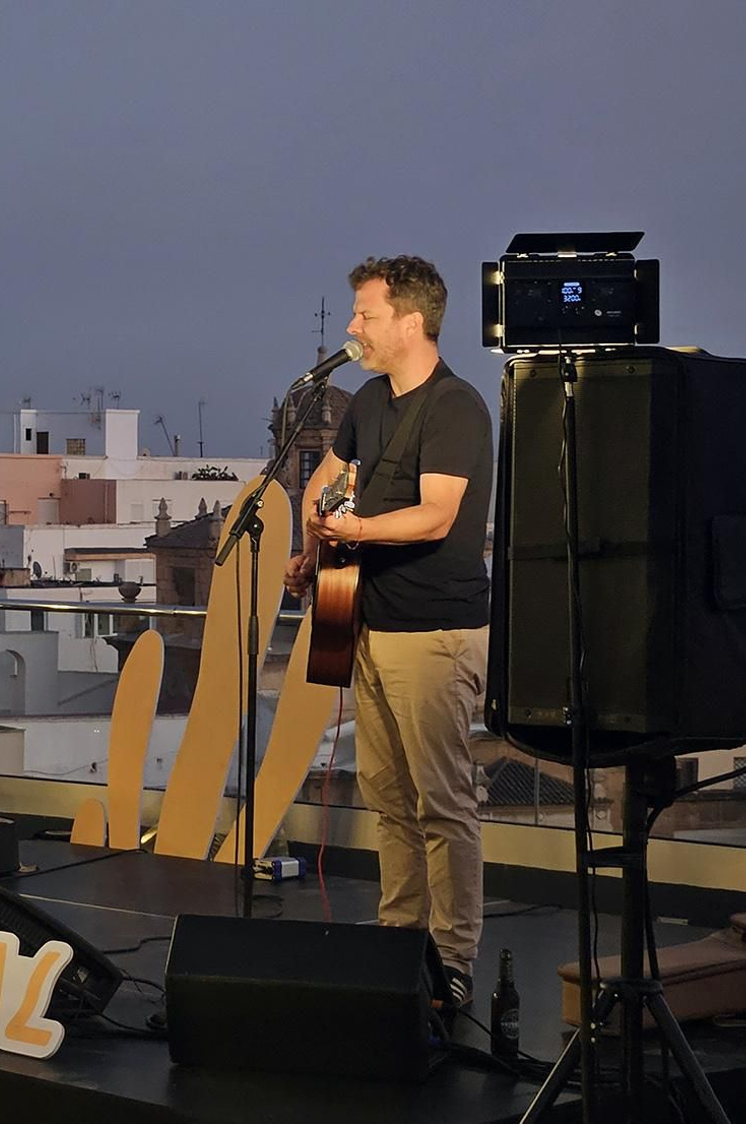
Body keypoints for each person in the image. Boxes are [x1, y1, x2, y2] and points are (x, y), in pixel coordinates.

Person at [284, 256, 493, 1007]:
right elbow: (323, 482)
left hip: (435, 632)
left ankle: (454, 959)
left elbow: (437, 513)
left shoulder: (457, 407)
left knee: (443, 801)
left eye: (365, 314)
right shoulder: (370, 400)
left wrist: (358, 527)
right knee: (388, 795)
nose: (352, 327)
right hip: (365, 623)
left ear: (411, 320)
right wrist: (314, 546)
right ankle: (401, 939)